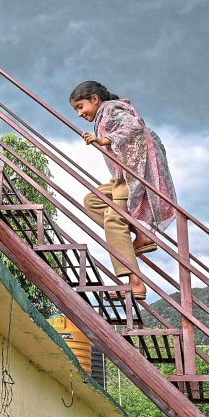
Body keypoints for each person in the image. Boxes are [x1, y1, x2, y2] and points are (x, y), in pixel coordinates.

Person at [69, 81, 177, 300]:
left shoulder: (110, 109)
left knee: (113, 220)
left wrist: (105, 139)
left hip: (132, 176)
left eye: (80, 106)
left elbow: (133, 126)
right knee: (93, 200)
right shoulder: (103, 115)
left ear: (95, 99)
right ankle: (140, 235)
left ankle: (134, 283)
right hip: (122, 176)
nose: (79, 113)